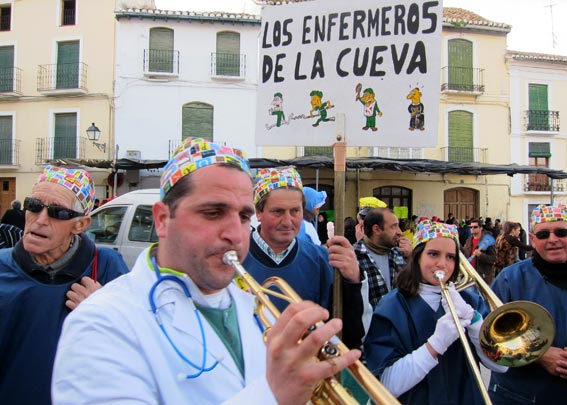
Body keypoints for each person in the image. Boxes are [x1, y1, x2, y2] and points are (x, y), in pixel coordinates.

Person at [52, 139, 360, 404]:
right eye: (213, 213)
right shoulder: (101, 323)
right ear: (162, 220)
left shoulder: (250, 306)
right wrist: (273, 393)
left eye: (243, 216)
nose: (235, 235)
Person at [0, 166, 128, 405]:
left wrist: (105, 312)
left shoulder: (107, 268)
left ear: (80, 225)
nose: (39, 220)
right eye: (34, 206)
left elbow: (138, 345)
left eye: (57, 212)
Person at [364, 220, 507, 404]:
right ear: (417, 257)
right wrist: (435, 345)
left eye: (450, 257)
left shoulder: (470, 301)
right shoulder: (391, 306)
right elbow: (385, 385)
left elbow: (501, 366)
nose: (442, 264)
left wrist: (475, 322)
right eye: (433, 254)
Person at [244, 167, 366, 349]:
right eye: (277, 212)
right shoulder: (236, 260)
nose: (287, 221)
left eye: (295, 211)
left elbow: (350, 334)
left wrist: (352, 282)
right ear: (259, 212)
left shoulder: (323, 260)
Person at [489, 203, 567, 404]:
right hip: (520, 395)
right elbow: (488, 339)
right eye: (543, 235)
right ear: (532, 240)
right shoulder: (510, 280)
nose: (553, 240)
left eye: (561, 232)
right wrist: (540, 354)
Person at [354, 207, 412, 315]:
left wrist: (411, 258)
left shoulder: (399, 254)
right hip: (370, 329)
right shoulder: (355, 257)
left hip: (398, 326)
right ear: (376, 229)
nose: (400, 232)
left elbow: (413, 290)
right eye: (394, 226)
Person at [463, 218, 497, 284]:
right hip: (470, 275)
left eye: (475, 227)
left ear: (481, 228)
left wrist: (481, 255)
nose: (472, 228)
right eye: (471, 227)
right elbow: (465, 254)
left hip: (483, 277)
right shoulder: (468, 240)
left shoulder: (487, 241)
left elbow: (494, 258)